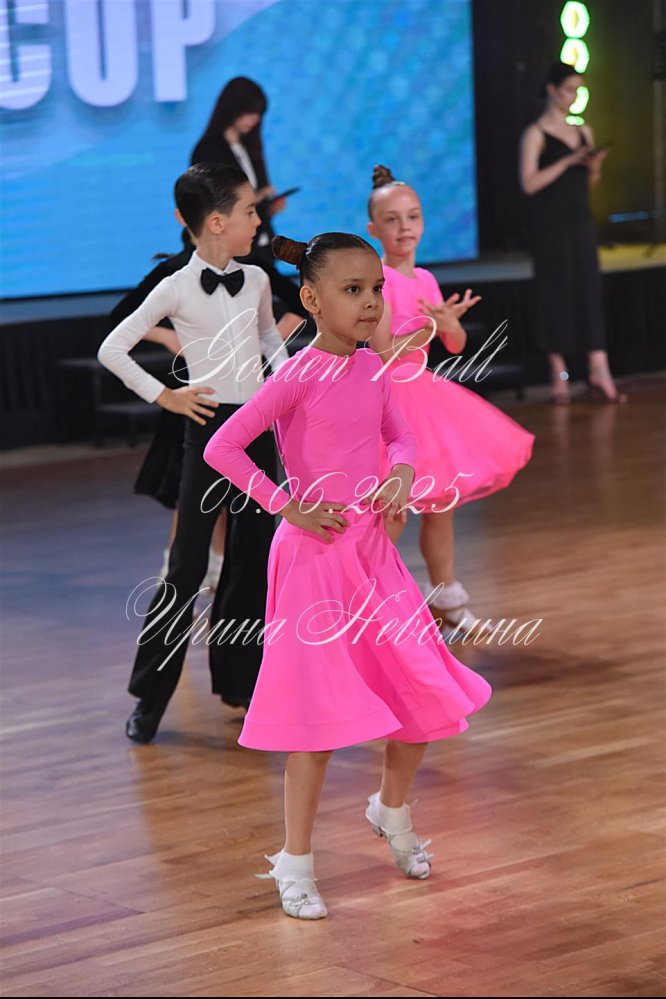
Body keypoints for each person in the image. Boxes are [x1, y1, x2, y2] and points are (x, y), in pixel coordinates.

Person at [202, 231, 492, 921]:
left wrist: (400, 473)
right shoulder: (297, 375)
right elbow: (223, 446)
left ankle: (391, 809)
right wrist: (286, 504)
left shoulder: (372, 368)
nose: (369, 302)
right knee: (318, 723)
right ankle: (294, 861)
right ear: (311, 298)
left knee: (423, 694)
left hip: (372, 554)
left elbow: (401, 435)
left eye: (375, 290)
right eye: (352, 290)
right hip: (313, 559)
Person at [97, 163, 289, 741]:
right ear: (216, 221)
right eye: (250, 211)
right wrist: (166, 396)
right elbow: (113, 348)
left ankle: (243, 684)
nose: (258, 221)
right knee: (186, 567)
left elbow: (267, 337)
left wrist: (288, 387)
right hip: (206, 434)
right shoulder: (176, 285)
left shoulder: (256, 279)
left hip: (257, 432)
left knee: (253, 561)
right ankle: (150, 698)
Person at [366, 165, 535, 634]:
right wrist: (428, 327)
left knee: (441, 505)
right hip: (387, 403)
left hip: (425, 398)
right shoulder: (376, 281)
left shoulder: (424, 278)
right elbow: (383, 354)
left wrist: (450, 324)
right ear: (374, 229)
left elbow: (455, 345)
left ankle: (447, 598)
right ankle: (371, 604)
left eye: (413, 217)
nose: (405, 228)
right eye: (393, 219)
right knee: (392, 513)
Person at [107, 230, 227, 592]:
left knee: (229, 487)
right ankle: (172, 575)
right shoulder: (175, 271)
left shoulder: (248, 270)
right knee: (189, 488)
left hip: (238, 387)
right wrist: (165, 335)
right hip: (195, 390)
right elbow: (120, 316)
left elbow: (288, 311)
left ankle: (218, 567)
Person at [519, 60, 627, 404]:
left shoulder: (584, 131)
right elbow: (529, 183)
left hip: (580, 222)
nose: (573, 96)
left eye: (578, 91)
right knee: (554, 295)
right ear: (552, 89)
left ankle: (599, 368)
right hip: (550, 227)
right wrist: (566, 162)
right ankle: (559, 372)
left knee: (587, 292)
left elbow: (588, 184)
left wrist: (593, 167)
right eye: (568, 89)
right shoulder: (536, 133)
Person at [191, 76, 308, 339]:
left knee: (285, 307)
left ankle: (264, 352)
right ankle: (261, 353)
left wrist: (267, 208)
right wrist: (256, 198)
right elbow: (213, 201)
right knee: (258, 312)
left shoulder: (249, 146)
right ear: (232, 108)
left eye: (258, 114)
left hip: (260, 243)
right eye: (249, 111)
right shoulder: (209, 149)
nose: (254, 119)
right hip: (235, 249)